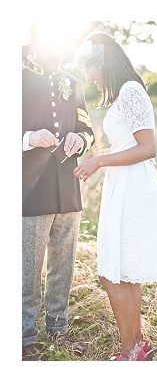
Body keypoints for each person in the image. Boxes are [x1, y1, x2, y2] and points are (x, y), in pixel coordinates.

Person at [73, 31, 157, 361]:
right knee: (125, 268)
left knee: (111, 271)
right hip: (123, 183)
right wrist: (101, 153)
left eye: (88, 68)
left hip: (134, 188)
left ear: (102, 63)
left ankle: (129, 350)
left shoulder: (132, 92)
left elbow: (148, 149)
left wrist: (102, 160)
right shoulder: (124, 94)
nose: (87, 76)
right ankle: (138, 344)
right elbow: (127, 145)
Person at [22, 21, 95, 361]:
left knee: (63, 266)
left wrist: (81, 139)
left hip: (68, 189)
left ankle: (58, 329)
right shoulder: (15, 77)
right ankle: (25, 336)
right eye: (48, 44)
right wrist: (28, 138)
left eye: (59, 44)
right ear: (33, 44)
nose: (55, 51)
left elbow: (89, 131)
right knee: (28, 267)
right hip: (28, 191)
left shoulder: (74, 83)